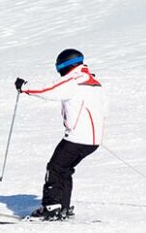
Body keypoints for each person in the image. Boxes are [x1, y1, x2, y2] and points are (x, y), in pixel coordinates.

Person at [14, 49, 106, 220]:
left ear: (66, 65)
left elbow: (49, 90)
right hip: (92, 140)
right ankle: (63, 207)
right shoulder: (93, 81)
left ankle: (51, 207)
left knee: (55, 168)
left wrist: (24, 87)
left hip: (78, 138)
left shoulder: (74, 80)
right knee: (64, 169)